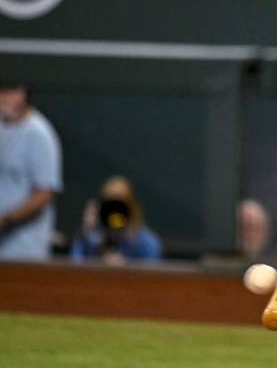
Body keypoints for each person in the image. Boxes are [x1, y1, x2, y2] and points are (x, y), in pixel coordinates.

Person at [0, 81, 62, 261]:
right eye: (2, 91)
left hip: (24, 248)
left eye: (12, 91)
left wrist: (6, 220)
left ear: (25, 94)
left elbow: (45, 193)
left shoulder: (39, 133)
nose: (5, 98)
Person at [71, 176, 162, 264]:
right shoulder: (90, 238)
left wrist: (125, 268)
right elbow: (74, 269)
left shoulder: (146, 242)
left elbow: (152, 275)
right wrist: (86, 230)